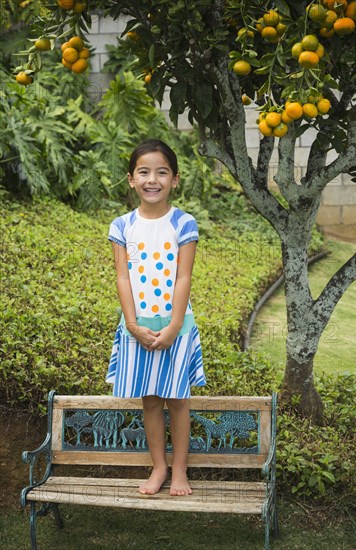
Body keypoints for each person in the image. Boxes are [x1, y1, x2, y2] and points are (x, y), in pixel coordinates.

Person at [106, 139, 206, 497]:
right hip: (137, 328)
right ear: (131, 179)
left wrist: (175, 325)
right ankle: (159, 467)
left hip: (176, 327)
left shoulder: (183, 223)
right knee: (150, 400)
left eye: (162, 172)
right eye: (144, 172)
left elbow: (184, 276)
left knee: (177, 400)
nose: (153, 179)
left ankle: (180, 470)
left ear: (175, 180)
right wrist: (133, 326)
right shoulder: (122, 226)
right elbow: (122, 277)